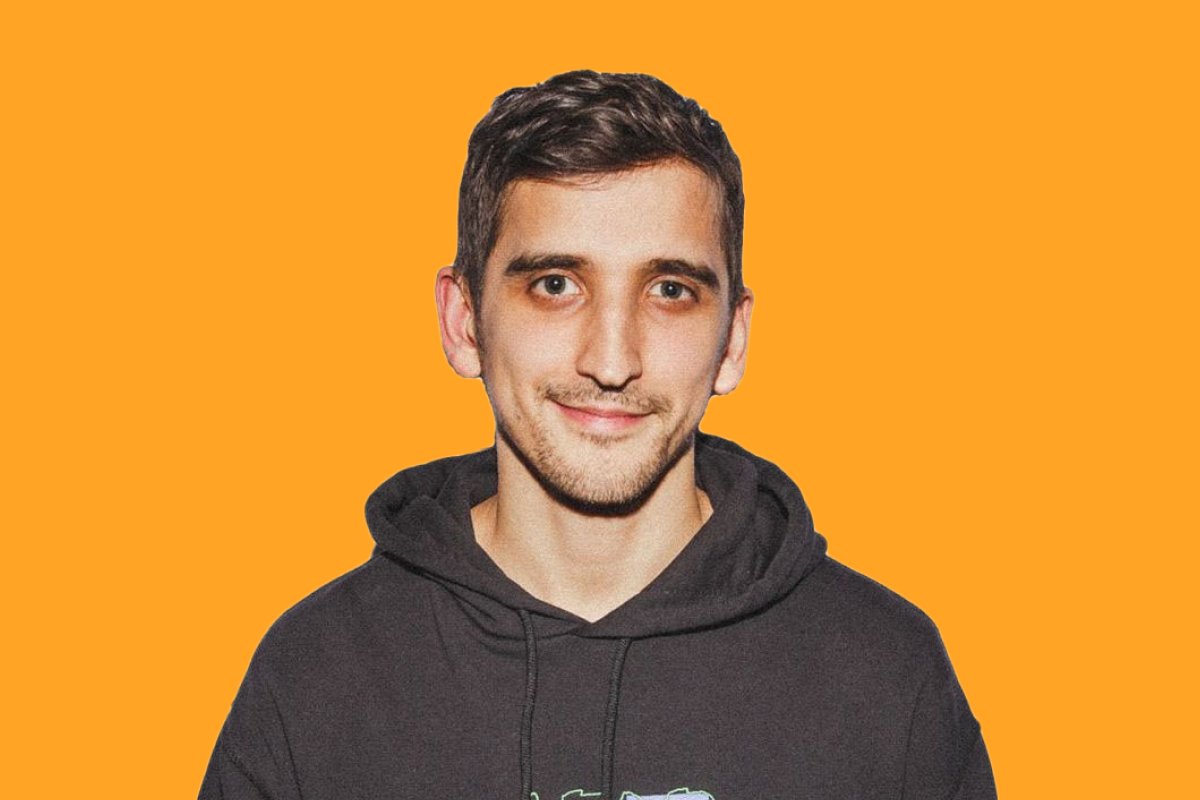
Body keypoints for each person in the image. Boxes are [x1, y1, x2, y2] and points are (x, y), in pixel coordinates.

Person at [199, 70, 996, 800]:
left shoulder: (885, 680)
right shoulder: (319, 677)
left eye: (671, 290)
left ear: (733, 338)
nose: (612, 361)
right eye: (555, 285)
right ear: (464, 320)